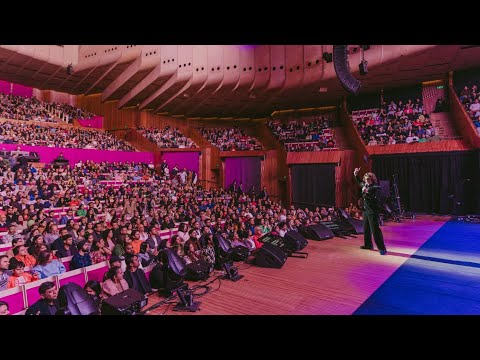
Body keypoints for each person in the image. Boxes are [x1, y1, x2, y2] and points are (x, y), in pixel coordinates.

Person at [353, 167, 387, 255]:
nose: (366, 180)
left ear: (372, 179)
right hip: (366, 211)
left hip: (373, 212)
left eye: (368, 179)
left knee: (375, 230)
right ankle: (368, 245)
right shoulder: (365, 186)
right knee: (366, 229)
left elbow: (376, 200)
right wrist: (356, 174)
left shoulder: (376, 188)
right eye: (365, 179)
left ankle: (382, 248)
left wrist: (367, 192)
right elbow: (359, 182)